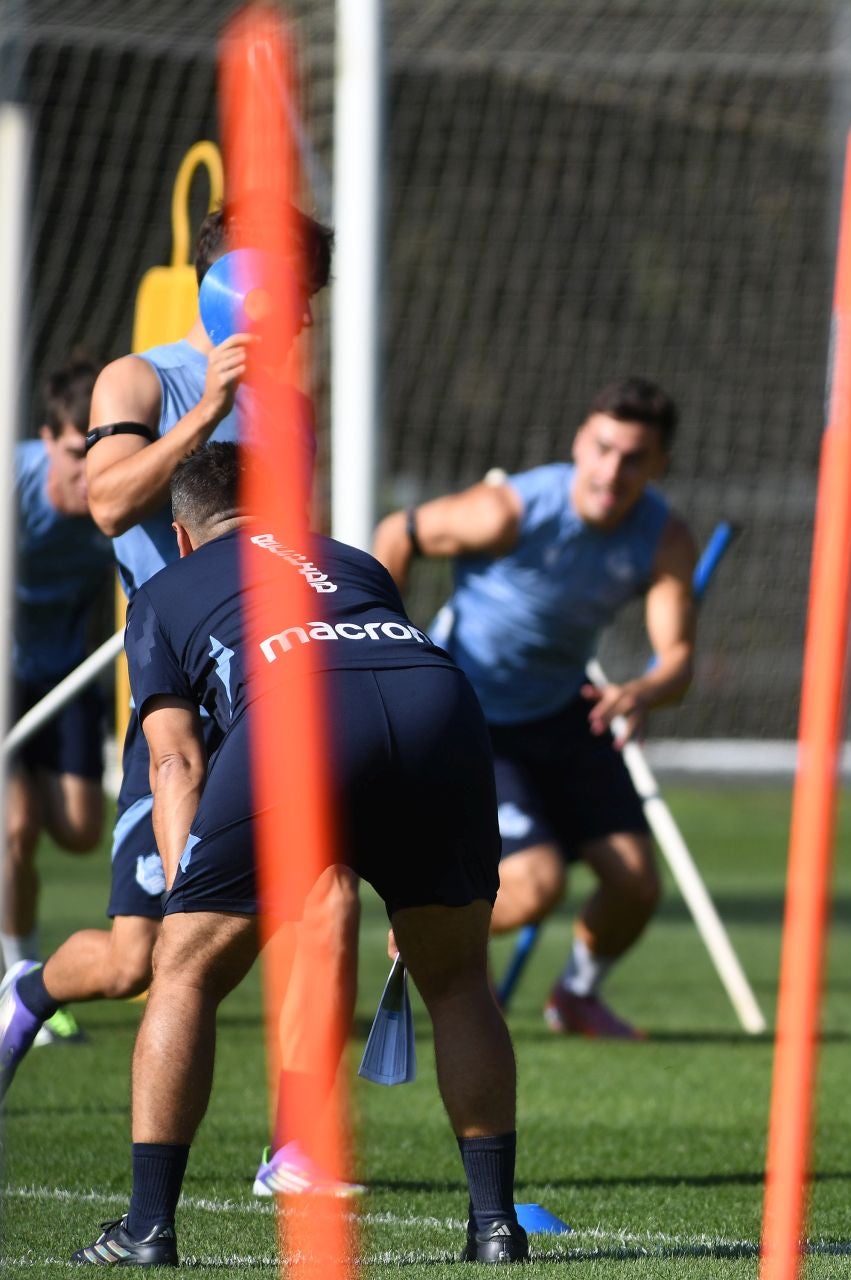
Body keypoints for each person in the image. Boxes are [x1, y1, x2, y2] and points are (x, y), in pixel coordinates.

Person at [5, 444, 524, 1264]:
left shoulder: (163, 590)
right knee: (458, 982)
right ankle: (496, 1227)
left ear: (181, 536)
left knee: (185, 971)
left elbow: (175, 758)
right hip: (443, 705)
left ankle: (147, 1229)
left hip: (302, 712)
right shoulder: (350, 560)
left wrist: (187, 899)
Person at [0, 199, 363, 1198]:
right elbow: (111, 501)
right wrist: (204, 410)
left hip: (268, 688)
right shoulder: (139, 377)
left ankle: (295, 1148)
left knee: (329, 898)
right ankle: (27, 991)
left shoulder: (292, 403)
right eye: (291, 295)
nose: (300, 319)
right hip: (170, 699)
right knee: (137, 958)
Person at [373, 377, 697, 1040]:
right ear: (581, 441)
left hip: (566, 712)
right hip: (472, 717)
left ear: (658, 465)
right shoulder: (509, 510)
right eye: (603, 448)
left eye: (634, 458)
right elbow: (396, 532)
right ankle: (425, 926)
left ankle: (575, 996)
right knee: (534, 885)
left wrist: (642, 689)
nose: (612, 470)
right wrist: (382, 640)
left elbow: (679, 659)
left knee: (636, 885)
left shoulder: (664, 537)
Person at [7, 354, 114, 1045]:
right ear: (50, 440)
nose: (91, 471)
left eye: (101, 452)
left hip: (67, 674)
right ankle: (16, 979)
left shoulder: (120, 494)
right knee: (13, 826)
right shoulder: (14, 487)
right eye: (78, 453)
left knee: (77, 828)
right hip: (5, 674)